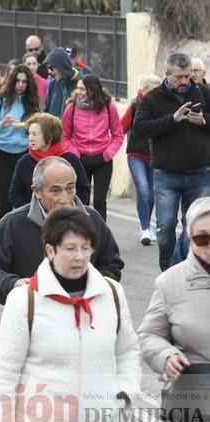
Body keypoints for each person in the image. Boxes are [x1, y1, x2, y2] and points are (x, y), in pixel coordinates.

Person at [0, 206, 141, 422]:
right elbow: (4, 377)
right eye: (70, 249)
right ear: (51, 250)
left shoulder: (112, 294)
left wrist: (126, 394)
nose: (79, 256)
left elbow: (127, 350)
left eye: (85, 248)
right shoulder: (24, 301)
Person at [0, 157, 124, 305]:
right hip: (33, 316)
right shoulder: (14, 223)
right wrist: (14, 285)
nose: (65, 199)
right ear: (37, 191)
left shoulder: (93, 220)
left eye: (70, 188)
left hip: (84, 315)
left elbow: (112, 264)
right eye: (55, 190)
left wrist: (91, 287)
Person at [138, 197, 210, 422]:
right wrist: (167, 356)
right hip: (195, 393)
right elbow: (149, 335)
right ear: (189, 239)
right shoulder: (169, 282)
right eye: (202, 238)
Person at [133, 52, 210, 271]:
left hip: (200, 173)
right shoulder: (152, 98)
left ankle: (189, 271)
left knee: (194, 228)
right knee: (166, 227)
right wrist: (172, 120)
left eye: (188, 76)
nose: (185, 81)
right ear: (167, 75)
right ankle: (168, 273)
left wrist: (204, 121)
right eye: (179, 77)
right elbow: (140, 129)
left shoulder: (204, 92)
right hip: (167, 175)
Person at [61, 75, 123, 221]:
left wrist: (107, 154)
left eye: (82, 89)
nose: (78, 92)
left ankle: (101, 237)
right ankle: (80, 233)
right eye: (78, 88)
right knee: (82, 201)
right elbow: (64, 137)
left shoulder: (109, 107)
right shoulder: (71, 108)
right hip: (80, 160)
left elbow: (118, 135)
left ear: (92, 90)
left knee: (100, 202)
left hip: (102, 160)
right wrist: (76, 154)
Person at [0, 64, 41, 222]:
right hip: (2, 154)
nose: (21, 85)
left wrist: (31, 127)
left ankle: (23, 233)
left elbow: (40, 128)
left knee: (26, 199)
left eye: (24, 82)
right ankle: (1, 237)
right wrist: (2, 123)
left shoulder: (32, 104)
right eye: (17, 81)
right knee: (5, 201)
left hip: (24, 154)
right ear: (11, 82)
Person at [9, 112, 90, 208]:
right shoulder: (24, 161)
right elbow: (14, 194)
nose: (30, 138)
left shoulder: (70, 159)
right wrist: (32, 211)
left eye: (35, 134)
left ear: (49, 136)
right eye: (29, 134)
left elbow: (84, 190)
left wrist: (71, 209)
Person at [121, 74, 161, 245]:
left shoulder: (162, 105)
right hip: (136, 155)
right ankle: (145, 229)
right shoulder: (135, 105)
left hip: (156, 156)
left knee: (152, 194)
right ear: (143, 90)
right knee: (143, 189)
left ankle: (148, 227)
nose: (156, 93)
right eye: (152, 89)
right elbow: (120, 128)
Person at [43, 47, 84, 118]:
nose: (49, 72)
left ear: (61, 66)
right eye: (47, 68)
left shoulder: (82, 84)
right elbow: (46, 112)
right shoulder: (52, 84)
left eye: (51, 68)